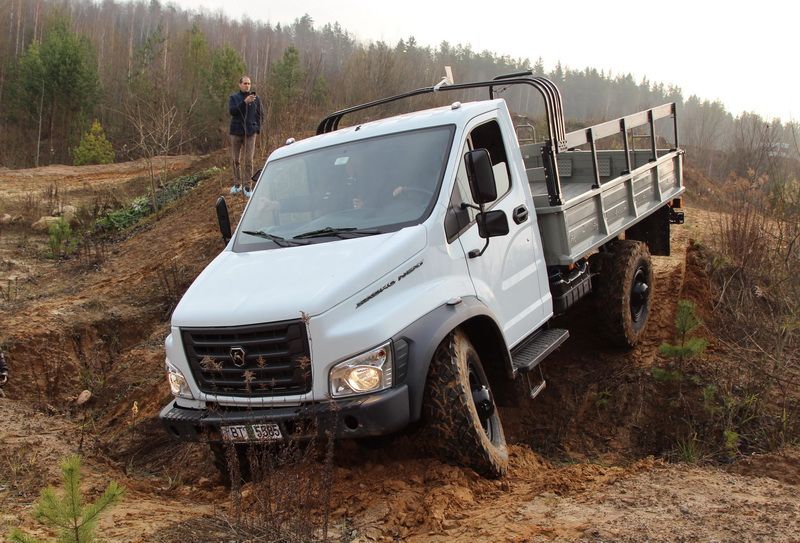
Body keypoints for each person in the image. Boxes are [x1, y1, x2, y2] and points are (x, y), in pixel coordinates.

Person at [229, 75, 264, 197]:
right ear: (240, 85)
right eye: (244, 83)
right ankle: (237, 184)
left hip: (250, 133)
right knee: (235, 160)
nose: (247, 85)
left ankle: (247, 186)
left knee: (249, 160)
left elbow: (260, 115)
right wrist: (244, 103)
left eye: (249, 83)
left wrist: (257, 129)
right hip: (236, 132)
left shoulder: (256, 99)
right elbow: (232, 111)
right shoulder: (234, 98)